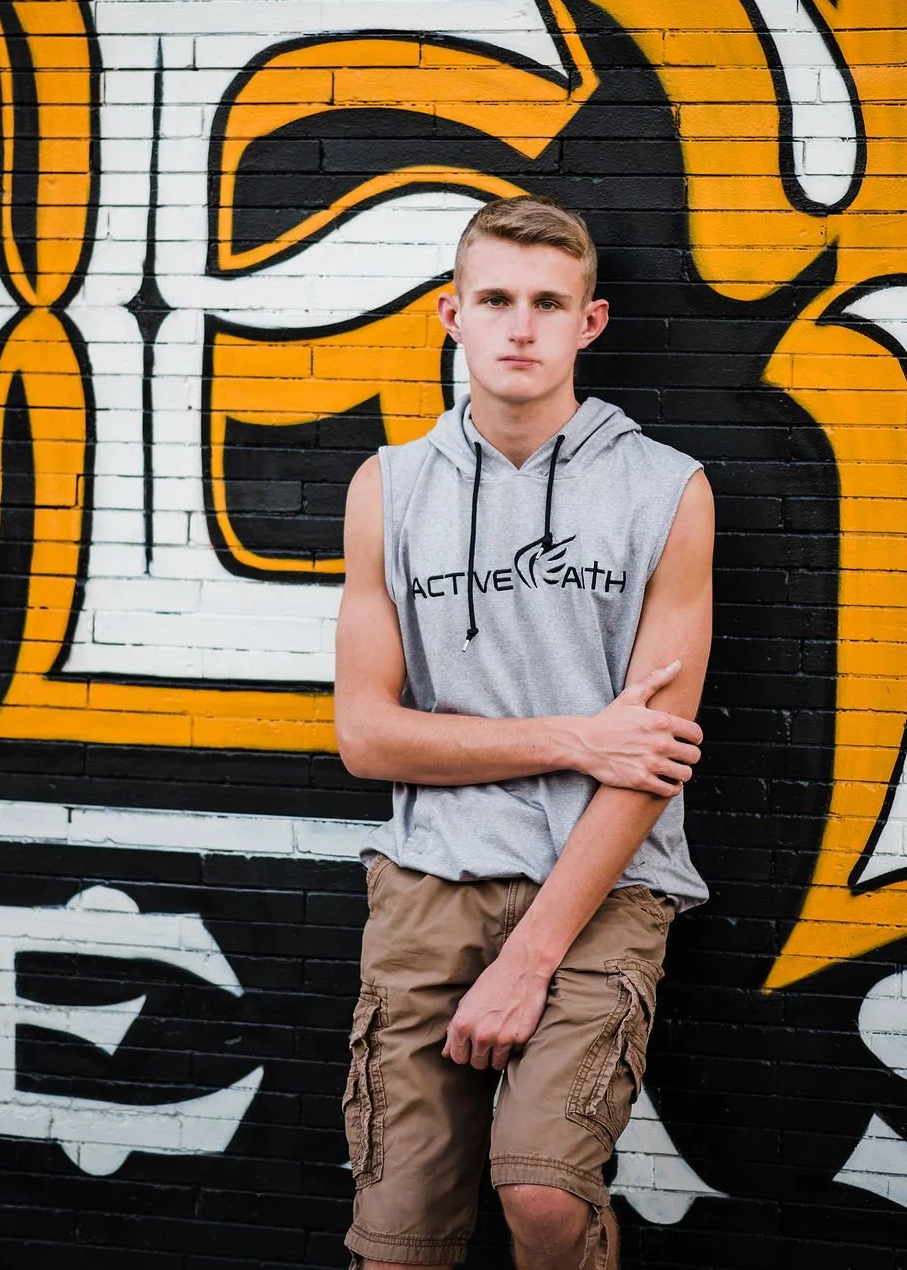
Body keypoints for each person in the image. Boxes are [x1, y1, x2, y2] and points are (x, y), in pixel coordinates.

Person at [334, 194, 714, 1270]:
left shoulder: (665, 490)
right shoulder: (388, 488)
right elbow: (366, 735)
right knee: (397, 1243)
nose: (519, 327)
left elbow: (648, 758)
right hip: (429, 881)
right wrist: (573, 738)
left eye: (548, 303)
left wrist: (530, 959)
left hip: (607, 884)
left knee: (544, 1197)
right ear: (449, 314)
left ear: (588, 323)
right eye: (494, 299)